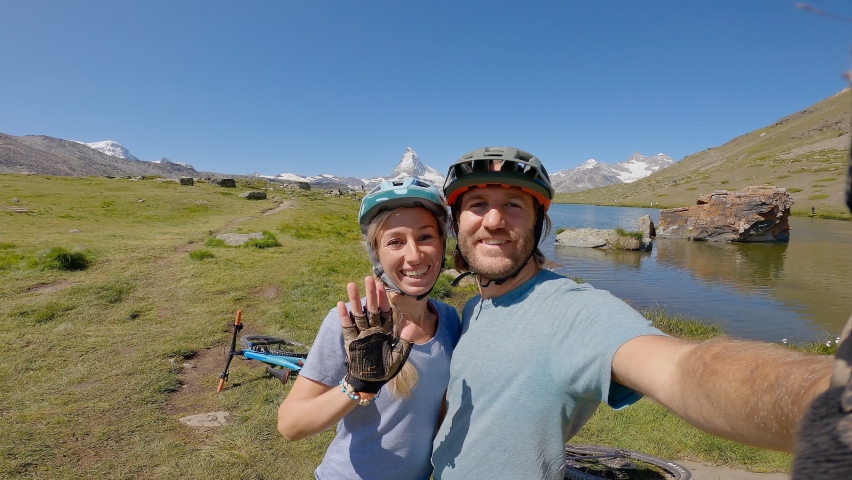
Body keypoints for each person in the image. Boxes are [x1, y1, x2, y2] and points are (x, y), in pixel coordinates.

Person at [431, 146, 833, 479]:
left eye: (514, 205)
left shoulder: (572, 310)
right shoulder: (473, 309)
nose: (494, 221)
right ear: (457, 222)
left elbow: (680, 370)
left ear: (539, 223)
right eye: (478, 204)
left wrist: (824, 396)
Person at [278, 177, 461, 480]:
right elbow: (290, 425)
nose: (414, 255)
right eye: (395, 241)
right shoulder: (353, 324)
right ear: (376, 254)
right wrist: (355, 385)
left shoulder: (450, 319)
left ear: (442, 244)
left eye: (426, 236)